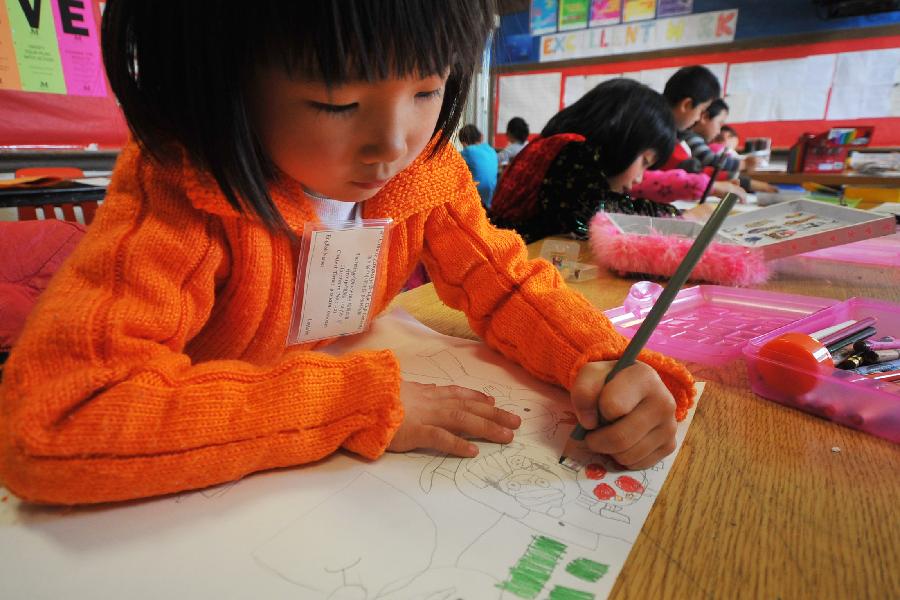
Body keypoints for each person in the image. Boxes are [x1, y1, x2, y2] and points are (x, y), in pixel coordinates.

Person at [0, 0, 694, 505]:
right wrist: (351, 402)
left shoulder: (424, 169)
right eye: (335, 104)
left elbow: (504, 281)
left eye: (428, 90)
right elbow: (56, 423)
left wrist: (598, 357)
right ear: (221, 86)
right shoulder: (180, 197)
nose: (392, 144)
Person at [490, 78, 679, 243]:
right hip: (504, 266)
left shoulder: (557, 143)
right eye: (644, 162)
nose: (639, 178)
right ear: (621, 141)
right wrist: (675, 217)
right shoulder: (573, 151)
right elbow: (597, 215)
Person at [631, 66, 746, 203]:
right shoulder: (656, 131)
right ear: (687, 105)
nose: (698, 118)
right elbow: (636, 179)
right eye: (701, 110)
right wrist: (710, 186)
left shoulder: (670, 134)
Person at [684, 99, 756, 179]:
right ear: (705, 117)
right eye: (719, 124)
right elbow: (709, 159)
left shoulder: (695, 139)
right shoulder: (690, 137)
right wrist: (744, 164)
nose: (719, 131)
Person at [458, 124, 499, 208]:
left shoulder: (468, 151)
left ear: (464, 143)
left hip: (477, 197)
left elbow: (453, 163)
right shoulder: (491, 149)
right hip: (492, 196)